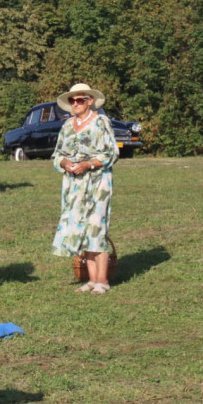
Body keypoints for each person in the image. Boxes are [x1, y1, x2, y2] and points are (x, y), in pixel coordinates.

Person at [51, 83, 119, 294]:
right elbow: (57, 154)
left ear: (89, 101)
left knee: (96, 227)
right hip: (73, 184)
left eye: (80, 100)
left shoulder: (101, 122)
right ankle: (91, 280)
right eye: (72, 100)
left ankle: (102, 281)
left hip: (98, 181)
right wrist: (66, 164)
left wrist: (88, 164)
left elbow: (112, 153)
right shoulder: (67, 126)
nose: (76, 104)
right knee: (81, 228)